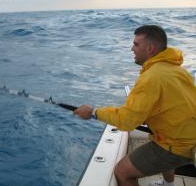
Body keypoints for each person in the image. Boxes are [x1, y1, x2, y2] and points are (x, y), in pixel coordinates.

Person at [74, 25, 196, 186]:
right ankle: (169, 184)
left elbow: (127, 121)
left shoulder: (151, 78)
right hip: (187, 134)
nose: (132, 48)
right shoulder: (177, 69)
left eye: (136, 44)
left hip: (177, 144)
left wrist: (93, 112)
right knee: (159, 142)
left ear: (150, 48)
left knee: (122, 172)